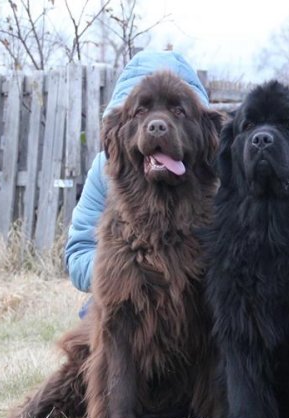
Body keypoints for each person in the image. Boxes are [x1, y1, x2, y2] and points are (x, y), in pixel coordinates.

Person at [64, 50, 210, 317]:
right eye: (142, 110)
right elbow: (78, 252)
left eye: (177, 110)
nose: (157, 124)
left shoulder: (218, 171)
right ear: (119, 129)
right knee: (97, 321)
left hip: (197, 303)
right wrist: (126, 268)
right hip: (129, 296)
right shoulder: (104, 168)